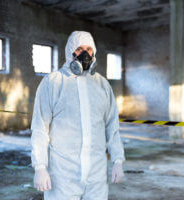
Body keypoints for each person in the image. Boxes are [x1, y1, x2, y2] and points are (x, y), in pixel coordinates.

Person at [30, 31, 126, 200]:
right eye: (79, 49)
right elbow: (40, 128)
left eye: (89, 49)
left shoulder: (102, 85)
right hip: (62, 174)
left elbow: (112, 125)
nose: (85, 54)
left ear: (94, 52)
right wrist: (40, 167)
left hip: (97, 174)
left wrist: (118, 160)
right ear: (70, 52)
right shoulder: (53, 82)